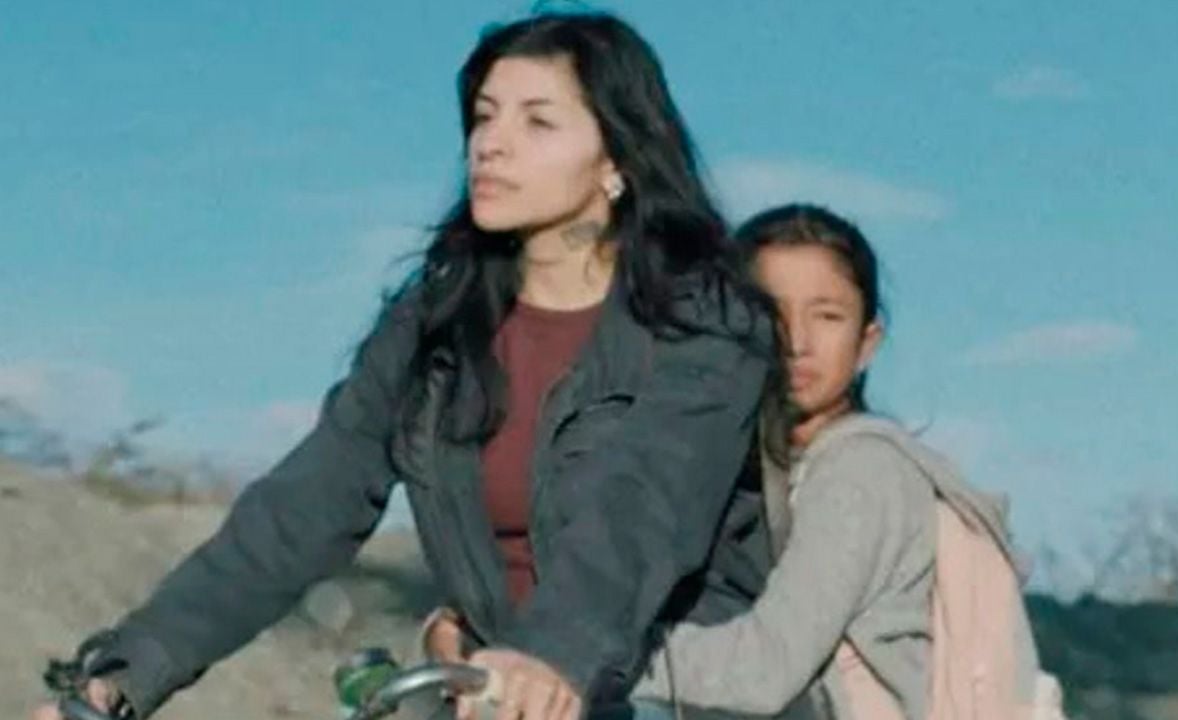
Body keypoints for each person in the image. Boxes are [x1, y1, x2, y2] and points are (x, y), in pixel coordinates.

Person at [33, 13, 780, 720]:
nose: (491, 144)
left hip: (675, 689)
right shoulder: (435, 324)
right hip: (501, 692)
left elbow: (641, 512)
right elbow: (301, 510)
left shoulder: (705, 323)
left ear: (616, 160)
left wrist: (548, 656)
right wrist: (120, 681)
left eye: (537, 122)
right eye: (484, 116)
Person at [630, 204, 1046, 720]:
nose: (797, 343)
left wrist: (586, 655)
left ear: (866, 344)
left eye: (827, 316)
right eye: (771, 314)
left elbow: (764, 670)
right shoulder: (770, 466)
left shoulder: (861, 470)